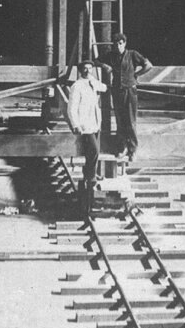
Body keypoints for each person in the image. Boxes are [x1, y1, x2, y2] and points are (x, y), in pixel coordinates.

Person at [62, 60, 108, 215]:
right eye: (85, 69)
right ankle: (90, 178)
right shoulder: (77, 86)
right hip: (85, 127)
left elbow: (105, 88)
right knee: (94, 151)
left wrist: (105, 72)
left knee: (93, 154)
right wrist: (75, 124)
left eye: (90, 69)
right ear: (80, 71)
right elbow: (71, 107)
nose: (88, 71)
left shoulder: (93, 83)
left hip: (95, 124)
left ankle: (88, 179)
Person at [106, 32, 153, 164]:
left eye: (120, 43)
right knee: (120, 121)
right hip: (117, 91)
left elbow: (149, 65)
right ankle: (122, 148)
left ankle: (133, 150)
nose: (118, 46)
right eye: (115, 43)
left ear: (124, 44)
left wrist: (136, 75)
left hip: (130, 91)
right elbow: (97, 60)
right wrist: (105, 66)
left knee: (131, 121)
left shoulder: (132, 54)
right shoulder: (111, 56)